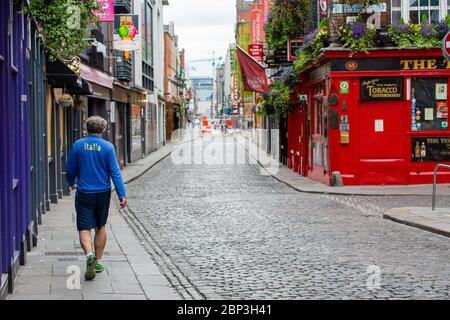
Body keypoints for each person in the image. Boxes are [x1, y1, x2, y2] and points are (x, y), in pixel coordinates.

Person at [66, 116, 127, 281]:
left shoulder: (78, 145)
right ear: (103, 129)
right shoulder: (108, 147)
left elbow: (70, 168)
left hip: (84, 192)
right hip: (103, 192)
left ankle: (89, 255)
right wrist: (122, 194)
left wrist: (71, 182)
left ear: (86, 128)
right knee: (100, 227)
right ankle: (98, 262)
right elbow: (115, 172)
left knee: (84, 227)